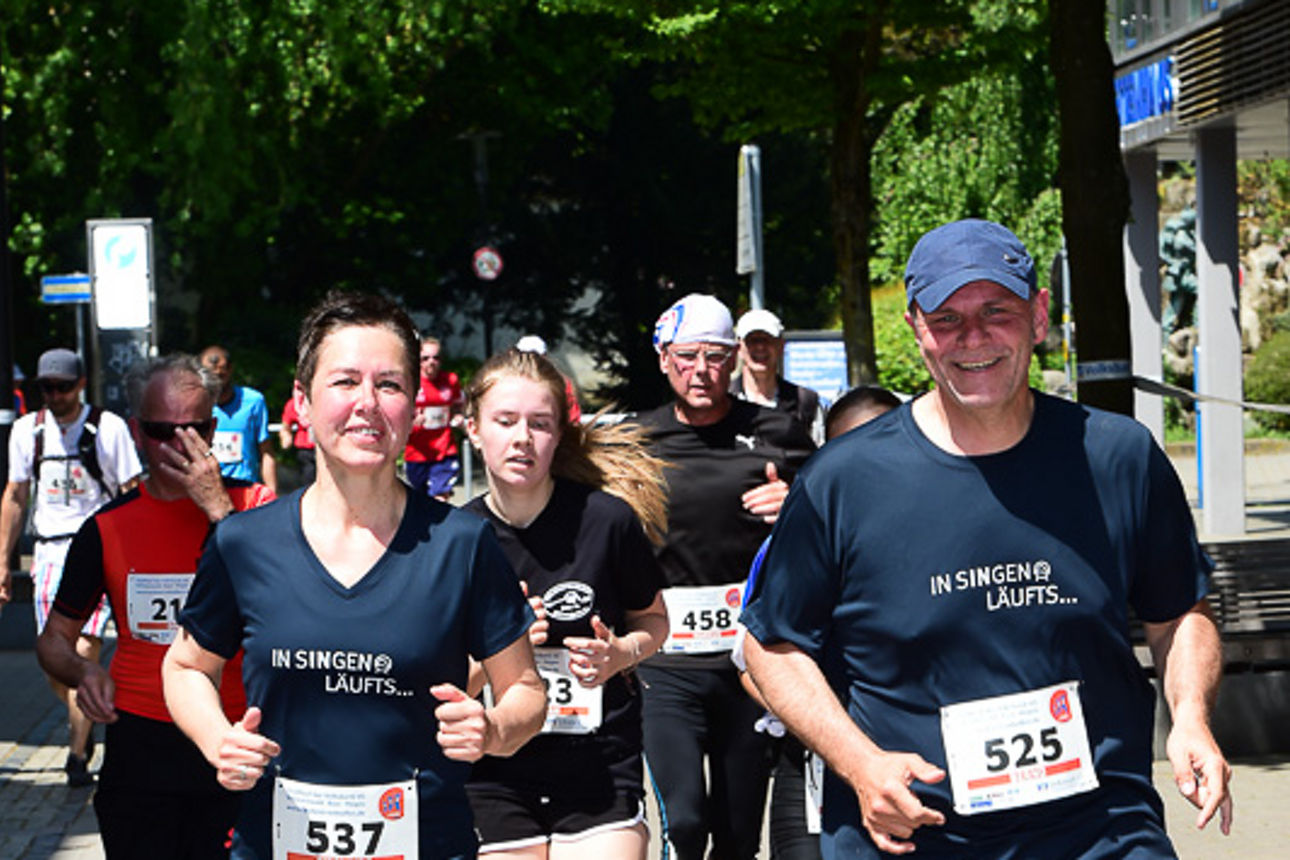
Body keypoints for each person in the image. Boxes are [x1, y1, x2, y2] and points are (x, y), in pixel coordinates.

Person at [742, 218, 1233, 859]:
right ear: (917, 328)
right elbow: (771, 645)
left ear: (1038, 315)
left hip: (1099, 828)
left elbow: (1180, 616)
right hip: (915, 832)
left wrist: (1190, 715)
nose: (973, 338)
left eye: (996, 311)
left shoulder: (1119, 456)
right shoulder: (844, 479)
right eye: (946, 319)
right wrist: (860, 763)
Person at [164, 291, 547, 860]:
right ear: (302, 402)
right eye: (345, 382)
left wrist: (492, 728)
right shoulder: (244, 542)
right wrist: (218, 740)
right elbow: (186, 665)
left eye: (389, 384)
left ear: (414, 407)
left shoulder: (462, 544)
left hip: (428, 842)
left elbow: (526, 692)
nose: (367, 403)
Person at [36, 354, 275, 859]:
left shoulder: (254, 507)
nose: (176, 444)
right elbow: (54, 638)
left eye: (192, 429)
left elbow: (276, 606)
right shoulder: (107, 528)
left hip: (236, 733)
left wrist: (218, 513)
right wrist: (83, 671)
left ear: (213, 429)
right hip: (141, 738)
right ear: (136, 431)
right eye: (160, 429)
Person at [461, 347, 670, 859]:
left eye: (540, 424)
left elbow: (656, 622)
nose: (522, 439)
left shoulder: (608, 522)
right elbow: (443, 685)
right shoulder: (453, 538)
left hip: (599, 762)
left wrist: (621, 653)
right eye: (505, 421)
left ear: (559, 434)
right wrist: (500, 656)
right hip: (495, 769)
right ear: (473, 429)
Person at [635, 293, 815, 860]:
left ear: (735, 357)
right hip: (667, 661)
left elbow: (833, 515)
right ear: (664, 358)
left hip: (749, 661)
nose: (701, 371)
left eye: (715, 356)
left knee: (738, 838)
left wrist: (795, 503)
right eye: (687, 356)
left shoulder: (777, 430)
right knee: (684, 821)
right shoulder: (634, 440)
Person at [731, 384, 902, 860]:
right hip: (812, 767)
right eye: (853, 447)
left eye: (887, 441)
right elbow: (752, 664)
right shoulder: (792, 542)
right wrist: (819, 722)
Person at [0, 347, 142, 786]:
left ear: (81, 384)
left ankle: (77, 757)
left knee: (83, 651)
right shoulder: (29, 431)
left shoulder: (108, 428)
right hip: (49, 553)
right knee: (54, 663)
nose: (56, 395)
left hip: (97, 548)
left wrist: (131, 554)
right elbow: (15, 495)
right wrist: (2, 561)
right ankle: (89, 713)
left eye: (63, 386)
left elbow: (131, 489)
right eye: (47, 388)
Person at [731, 309, 826, 444]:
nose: (760, 347)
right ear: (739, 348)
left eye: (767, 340)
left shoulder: (805, 402)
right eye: (752, 340)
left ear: (781, 345)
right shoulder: (723, 399)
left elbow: (820, 455)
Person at [199, 345, 277, 495]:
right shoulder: (195, 405)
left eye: (221, 375)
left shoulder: (253, 402)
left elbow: (266, 451)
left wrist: (272, 492)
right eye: (211, 376)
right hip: (209, 492)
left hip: (245, 490)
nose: (217, 381)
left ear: (230, 370)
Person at [405, 335, 464, 501]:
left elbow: (459, 404)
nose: (431, 362)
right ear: (418, 361)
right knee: (420, 501)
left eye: (436, 358)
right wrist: (411, 420)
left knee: (439, 497)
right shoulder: (410, 383)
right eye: (425, 358)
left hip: (445, 449)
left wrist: (459, 416)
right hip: (417, 452)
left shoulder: (450, 380)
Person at [515, 334, 583, 424]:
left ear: (544, 356)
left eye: (534, 356)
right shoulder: (504, 381)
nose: (529, 360)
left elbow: (573, 418)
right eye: (524, 356)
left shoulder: (561, 383)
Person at [278, 394, 316, 486]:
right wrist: (286, 437)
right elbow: (286, 426)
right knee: (308, 478)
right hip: (306, 449)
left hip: (325, 448)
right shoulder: (295, 404)